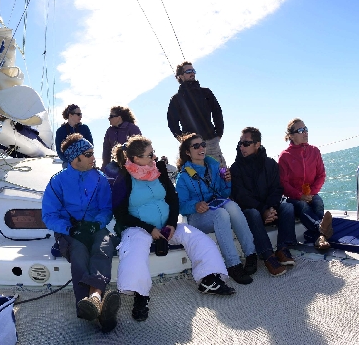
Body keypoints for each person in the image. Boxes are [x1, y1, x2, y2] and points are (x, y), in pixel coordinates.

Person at [111, 135, 234, 322]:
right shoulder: (124, 177)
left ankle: (208, 279)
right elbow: (120, 213)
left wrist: (171, 224)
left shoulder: (158, 169)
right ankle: (140, 296)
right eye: (150, 155)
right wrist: (149, 228)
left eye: (154, 153)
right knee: (135, 250)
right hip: (138, 227)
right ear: (136, 159)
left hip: (167, 225)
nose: (154, 158)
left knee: (199, 239)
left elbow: (172, 199)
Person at [41, 134, 120, 333]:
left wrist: (96, 224)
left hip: (95, 227)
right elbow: (49, 216)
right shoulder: (56, 182)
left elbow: (106, 208)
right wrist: (70, 229)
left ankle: (92, 301)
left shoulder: (100, 178)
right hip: (69, 230)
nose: (94, 158)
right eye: (88, 154)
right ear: (75, 159)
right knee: (78, 252)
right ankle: (98, 307)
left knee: (103, 246)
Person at [175, 133, 257, 285]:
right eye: (196, 146)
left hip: (215, 207)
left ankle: (251, 254)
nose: (201, 148)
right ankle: (233, 264)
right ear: (188, 152)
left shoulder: (213, 167)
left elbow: (224, 194)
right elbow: (180, 206)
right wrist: (195, 205)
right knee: (221, 214)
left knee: (231, 205)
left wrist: (227, 182)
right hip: (197, 217)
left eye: (203, 145)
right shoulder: (183, 177)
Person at [230, 127, 296, 277]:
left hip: (269, 208)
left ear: (257, 144)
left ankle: (282, 249)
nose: (241, 147)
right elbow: (241, 196)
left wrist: (271, 208)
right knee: (252, 213)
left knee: (288, 207)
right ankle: (268, 256)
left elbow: (277, 188)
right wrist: (263, 209)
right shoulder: (235, 169)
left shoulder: (270, 164)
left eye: (246, 143)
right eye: (240, 143)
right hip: (252, 211)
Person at [278, 118, 333, 250]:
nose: (305, 133)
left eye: (306, 129)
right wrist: (300, 195)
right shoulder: (285, 156)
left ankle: (320, 238)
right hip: (294, 197)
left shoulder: (314, 151)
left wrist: (311, 193)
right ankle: (321, 230)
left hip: (311, 193)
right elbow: (283, 183)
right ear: (291, 136)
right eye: (301, 130)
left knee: (318, 201)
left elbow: (321, 175)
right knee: (303, 206)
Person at [167, 61, 226, 165]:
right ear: (180, 76)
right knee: (199, 176)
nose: (192, 73)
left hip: (211, 141)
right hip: (193, 146)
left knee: (221, 174)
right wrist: (184, 140)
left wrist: (219, 134)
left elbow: (217, 112)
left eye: (193, 70)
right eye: (189, 71)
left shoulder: (206, 92)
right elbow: (172, 123)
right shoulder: (176, 99)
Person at [101, 105, 141, 170]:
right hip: (116, 164)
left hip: (132, 165)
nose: (109, 119)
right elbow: (106, 150)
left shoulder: (132, 128)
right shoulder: (109, 131)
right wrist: (104, 167)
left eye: (111, 116)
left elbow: (139, 148)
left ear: (119, 118)